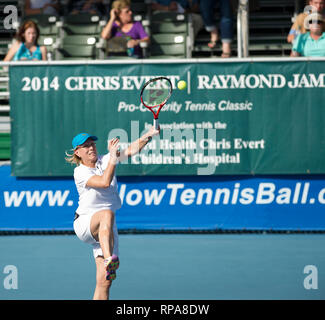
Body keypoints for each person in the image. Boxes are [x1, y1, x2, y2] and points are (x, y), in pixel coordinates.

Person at [66, 127, 159, 300]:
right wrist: (113, 158)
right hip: (86, 223)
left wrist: (148, 136)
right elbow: (104, 182)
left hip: (106, 229)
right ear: (78, 152)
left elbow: (130, 150)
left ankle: (108, 263)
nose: (91, 147)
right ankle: (110, 258)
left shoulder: (105, 160)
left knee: (105, 281)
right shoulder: (80, 172)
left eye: (92, 144)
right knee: (107, 213)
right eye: (86, 146)